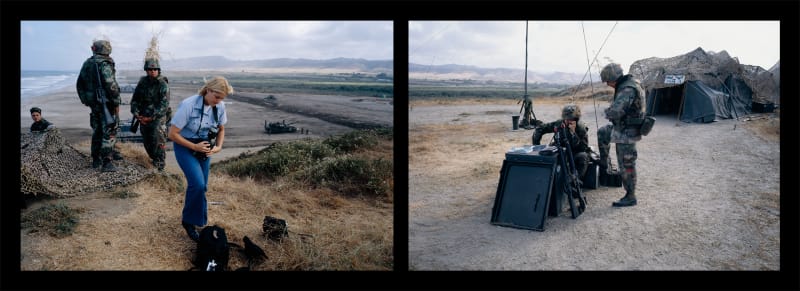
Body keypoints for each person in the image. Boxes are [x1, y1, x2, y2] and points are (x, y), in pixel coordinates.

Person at [168, 76, 233, 242]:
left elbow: (221, 129)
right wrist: (194, 147)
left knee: (202, 187)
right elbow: (172, 134)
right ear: (208, 90)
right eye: (217, 97)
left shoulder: (219, 106)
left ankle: (199, 221)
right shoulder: (188, 105)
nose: (219, 101)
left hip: (204, 147)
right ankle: (188, 221)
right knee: (196, 184)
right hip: (185, 145)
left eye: (222, 98)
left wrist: (218, 147)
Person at [597, 63, 646, 207]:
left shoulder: (627, 88)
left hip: (627, 132)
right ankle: (604, 166)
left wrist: (607, 111)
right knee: (602, 133)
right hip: (623, 127)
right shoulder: (632, 83)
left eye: (608, 81)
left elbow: (616, 112)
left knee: (626, 163)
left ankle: (630, 196)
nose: (608, 84)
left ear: (614, 78)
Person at [76, 39, 121, 172]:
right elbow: (110, 85)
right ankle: (107, 161)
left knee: (97, 131)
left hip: (94, 104)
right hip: (106, 104)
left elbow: (80, 84)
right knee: (109, 130)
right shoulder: (105, 64)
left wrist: (86, 100)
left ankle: (96, 160)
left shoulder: (87, 63)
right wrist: (116, 102)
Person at [130, 57, 171, 171]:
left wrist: (151, 118)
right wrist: (137, 114)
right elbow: (135, 100)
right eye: (149, 69)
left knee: (158, 141)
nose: (152, 71)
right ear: (146, 70)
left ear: (158, 70)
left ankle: (160, 166)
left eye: (155, 69)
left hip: (157, 118)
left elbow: (164, 106)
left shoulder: (162, 84)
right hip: (143, 117)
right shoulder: (143, 82)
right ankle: (154, 161)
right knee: (147, 142)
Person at [532, 104, 591, 179]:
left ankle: (576, 179)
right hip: (560, 151)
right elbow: (540, 129)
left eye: (570, 119)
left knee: (583, 156)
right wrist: (536, 146)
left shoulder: (581, 128)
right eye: (566, 119)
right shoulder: (559, 123)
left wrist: (573, 134)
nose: (567, 121)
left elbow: (583, 147)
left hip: (574, 153)